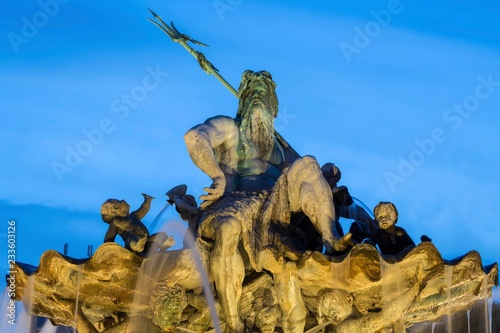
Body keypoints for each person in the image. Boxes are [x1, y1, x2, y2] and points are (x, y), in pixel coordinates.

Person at [184, 70, 352, 332]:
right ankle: (232, 321)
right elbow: (194, 137)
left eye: (264, 100)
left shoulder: (280, 149)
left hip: (272, 208)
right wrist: (216, 175)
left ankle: (331, 238)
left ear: (273, 110)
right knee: (228, 228)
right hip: (231, 203)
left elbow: (310, 183)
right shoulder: (229, 128)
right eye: (252, 98)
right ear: (243, 105)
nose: (258, 105)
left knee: (308, 164)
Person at [101, 193, 174, 254]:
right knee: (131, 239)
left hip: (147, 241)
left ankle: (164, 244)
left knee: (161, 234)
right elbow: (109, 237)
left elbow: (144, 209)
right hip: (132, 246)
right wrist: (107, 251)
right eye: (118, 201)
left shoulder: (134, 216)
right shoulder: (116, 222)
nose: (123, 200)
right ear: (115, 208)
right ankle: (137, 245)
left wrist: (147, 200)